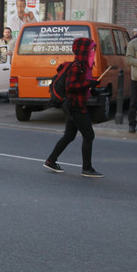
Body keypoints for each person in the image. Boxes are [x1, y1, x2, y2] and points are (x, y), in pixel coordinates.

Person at [43, 37, 103, 178]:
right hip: (75, 106)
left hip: (75, 104)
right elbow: (70, 86)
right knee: (89, 135)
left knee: (69, 135)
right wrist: (88, 84)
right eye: (90, 50)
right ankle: (87, 168)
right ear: (83, 51)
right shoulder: (77, 66)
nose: (92, 52)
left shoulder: (83, 66)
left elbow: (81, 85)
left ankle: (51, 160)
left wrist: (93, 88)